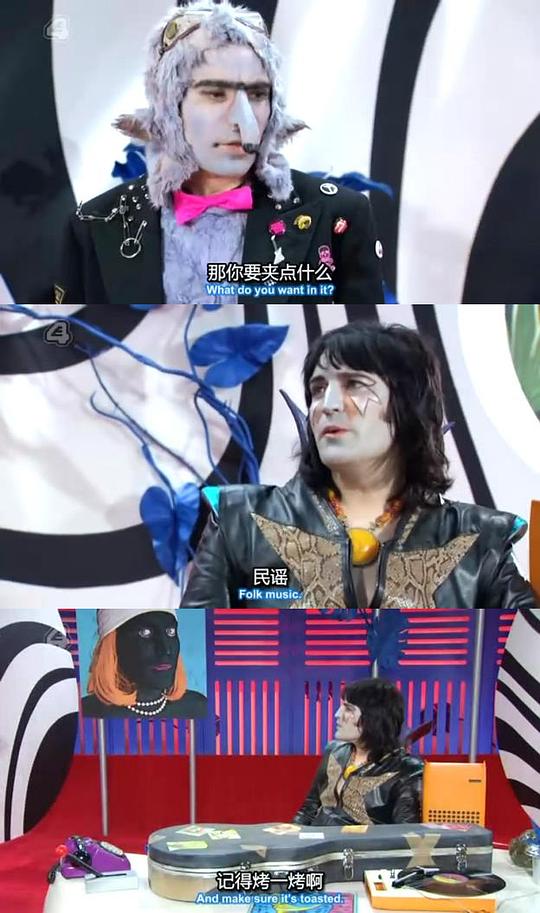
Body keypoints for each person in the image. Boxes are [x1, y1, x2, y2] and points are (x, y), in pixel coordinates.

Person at [181, 321, 539, 609]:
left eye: (355, 384)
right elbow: (199, 656)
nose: (328, 404)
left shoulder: (479, 541)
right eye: (318, 389)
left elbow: (528, 660)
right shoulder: (239, 521)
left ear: (407, 407)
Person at [53, 0, 384, 306]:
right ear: (169, 106)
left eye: (257, 95)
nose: (244, 121)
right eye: (214, 93)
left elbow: (363, 333)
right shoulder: (96, 223)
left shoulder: (338, 214)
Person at [294, 678, 423, 825]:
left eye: (348, 709)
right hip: (318, 838)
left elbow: (405, 833)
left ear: (374, 717)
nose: (337, 714)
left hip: (364, 841)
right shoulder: (335, 751)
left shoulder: (407, 770)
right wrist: (290, 836)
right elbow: (308, 810)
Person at [81, 609, 207, 718]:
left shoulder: (198, 707)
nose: (165, 649)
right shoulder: (86, 711)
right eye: (145, 633)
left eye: (171, 632)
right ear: (113, 645)